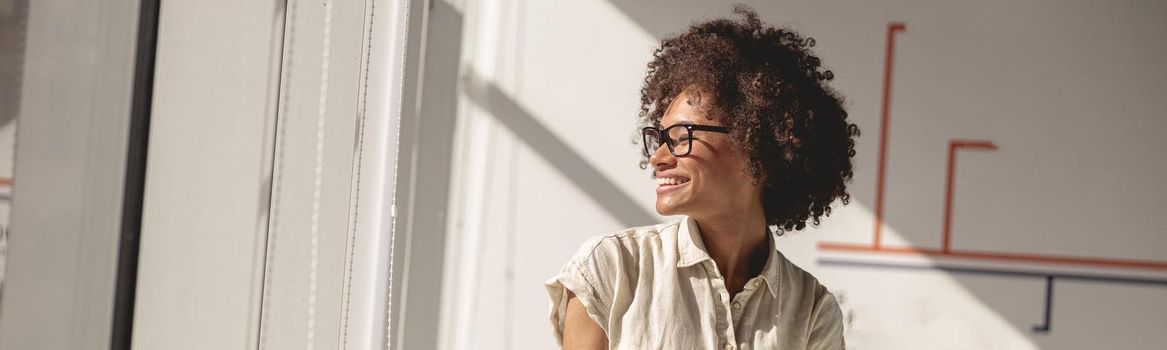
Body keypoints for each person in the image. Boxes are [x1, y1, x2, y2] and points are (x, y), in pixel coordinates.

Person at [545, 5, 860, 350]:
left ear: (756, 148)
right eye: (660, 138)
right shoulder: (612, 269)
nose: (658, 157)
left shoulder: (812, 310)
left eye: (682, 137)